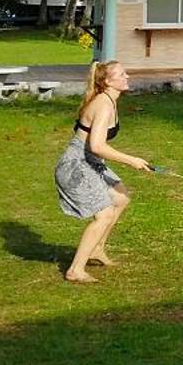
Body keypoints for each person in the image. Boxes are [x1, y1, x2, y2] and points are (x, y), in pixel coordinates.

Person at [55, 61, 154, 284]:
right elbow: (97, 146)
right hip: (76, 165)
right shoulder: (104, 104)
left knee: (121, 197)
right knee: (105, 214)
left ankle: (97, 249)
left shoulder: (110, 100)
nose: (127, 76)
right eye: (122, 74)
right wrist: (132, 160)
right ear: (108, 81)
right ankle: (75, 270)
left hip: (89, 160)